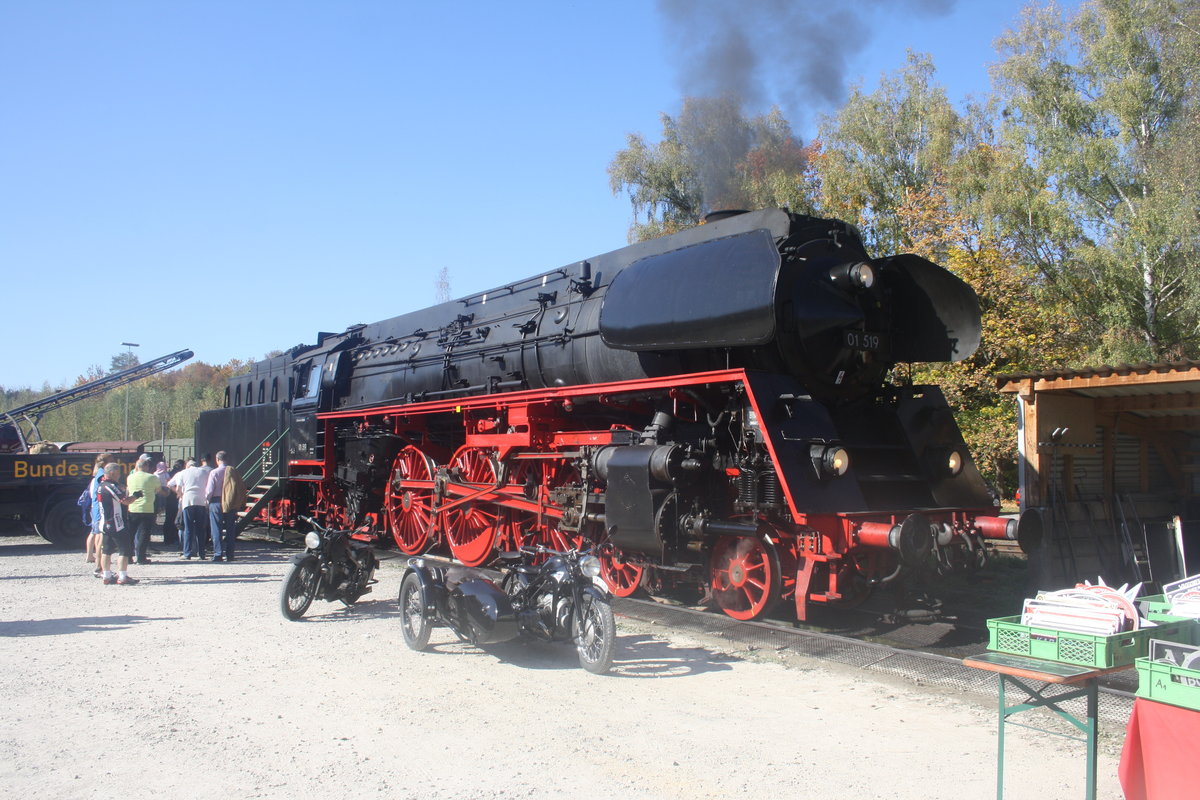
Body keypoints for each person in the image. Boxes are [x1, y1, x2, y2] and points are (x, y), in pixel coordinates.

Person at [97, 462, 138, 585]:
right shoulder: (110, 486)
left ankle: (107, 575)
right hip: (116, 522)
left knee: (107, 550)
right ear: (112, 473)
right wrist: (136, 496)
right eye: (118, 473)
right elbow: (125, 501)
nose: (120, 475)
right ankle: (123, 576)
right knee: (124, 550)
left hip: (104, 522)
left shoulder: (100, 485)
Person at [206, 451, 247, 562]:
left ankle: (218, 554)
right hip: (231, 502)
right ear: (227, 459)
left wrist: (207, 501)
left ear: (217, 459)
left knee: (216, 529)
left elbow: (210, 490)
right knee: (230, 529)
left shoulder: (214, 472)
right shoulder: (233, 471)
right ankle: (230, 555)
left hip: (216, 502)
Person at [127, 455, 167, 564]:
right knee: (144, 534)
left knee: (131, 534)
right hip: (147, 509)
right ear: (146, 466)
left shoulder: (130, 477)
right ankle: (141, 558)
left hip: (133, 508)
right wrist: (166, 492)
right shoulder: (152, 477)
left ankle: (128, 557)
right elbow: (159, 491)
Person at [168, 458, 210, 560]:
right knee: (201, 529)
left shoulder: (183, 473)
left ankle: (187, 553)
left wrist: (180, 495)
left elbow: (175, 487)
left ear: (188, 465)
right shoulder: (204, 472)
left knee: (188, 528)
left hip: (188, 502)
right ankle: (201, 553)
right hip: (201, 501)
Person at [85, 452, 113, 576]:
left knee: (97, 535)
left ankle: (98, 565)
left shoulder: (98, 473)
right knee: (101, 537)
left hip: (96, 508)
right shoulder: (102, 475)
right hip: (100, 509)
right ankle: (99, 566)